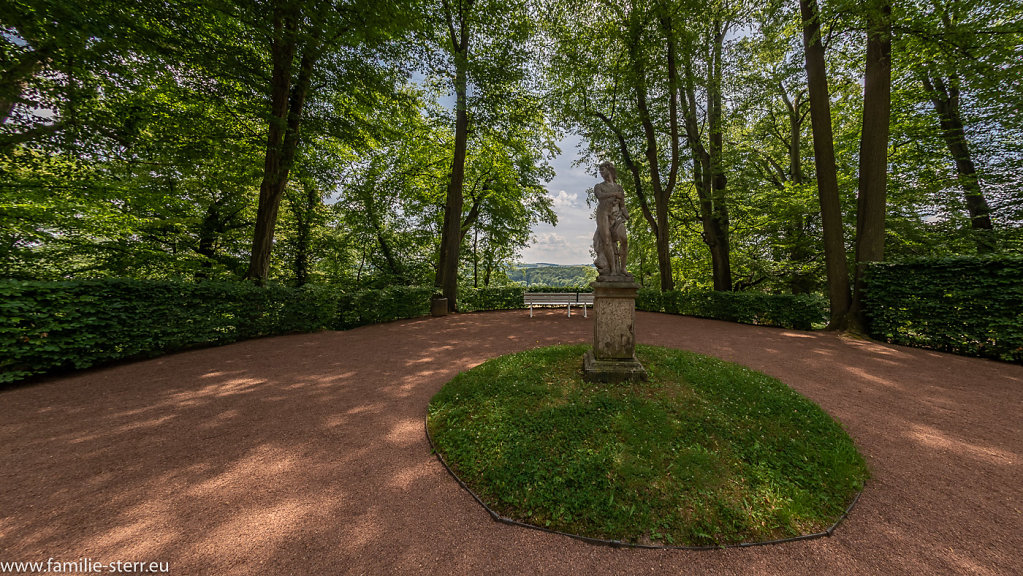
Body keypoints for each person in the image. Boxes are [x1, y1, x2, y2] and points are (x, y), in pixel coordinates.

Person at [592, 162, 629, 278]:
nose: (601, 173)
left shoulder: (619, 188)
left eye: (602, 170)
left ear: (609, 169)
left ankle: (623, 268)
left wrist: (627, 215)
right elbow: (599, 196)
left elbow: (622, 205)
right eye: (600, 171)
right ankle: (613, 269)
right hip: (603, 215)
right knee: (607, 241)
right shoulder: (599, 186)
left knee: (624, 240)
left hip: (617, 215)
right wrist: (614, 194)